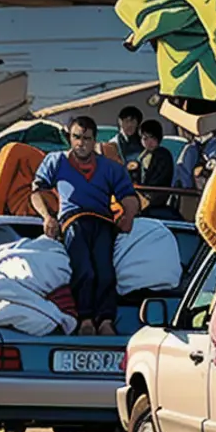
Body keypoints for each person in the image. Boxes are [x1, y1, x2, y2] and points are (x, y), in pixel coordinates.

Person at [31, 116, 140, 337]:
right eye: (77, 137)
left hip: (102, 222)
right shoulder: (56, 161)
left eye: (87, 138)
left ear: (94, 140)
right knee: (84, 271)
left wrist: (128, 215)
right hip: (73, 222)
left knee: (105, 272)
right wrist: (48, 217)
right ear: (70, 138)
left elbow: (129, 196)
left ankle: (106, 320)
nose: (81, 143)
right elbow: (38, 191)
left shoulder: (110, 168)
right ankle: (85, 318)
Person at [134, 119, 175, 208]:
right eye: (145, 139)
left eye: (153, 138)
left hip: (157, 196)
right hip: (143, 195)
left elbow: (160, 179)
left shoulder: (163, 155)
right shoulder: (141, 156)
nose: (149, 142)